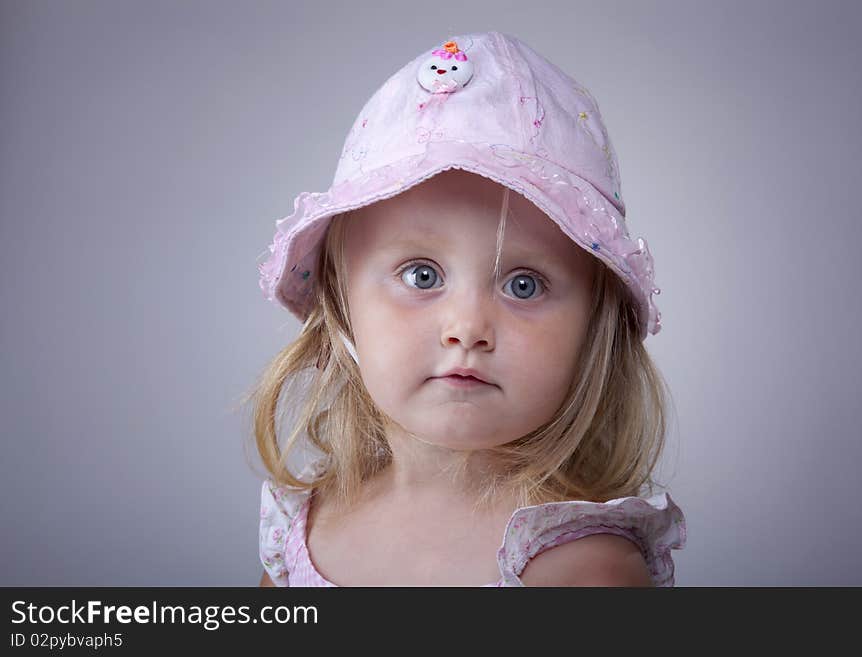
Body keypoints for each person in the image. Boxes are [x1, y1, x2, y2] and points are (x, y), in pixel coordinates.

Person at [248, 31, 686, 587]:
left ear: (593, 328)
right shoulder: (303, 532)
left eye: (524, 285)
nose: (467, 329)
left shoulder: (579, 568)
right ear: (341, 300)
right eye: (421, 276)